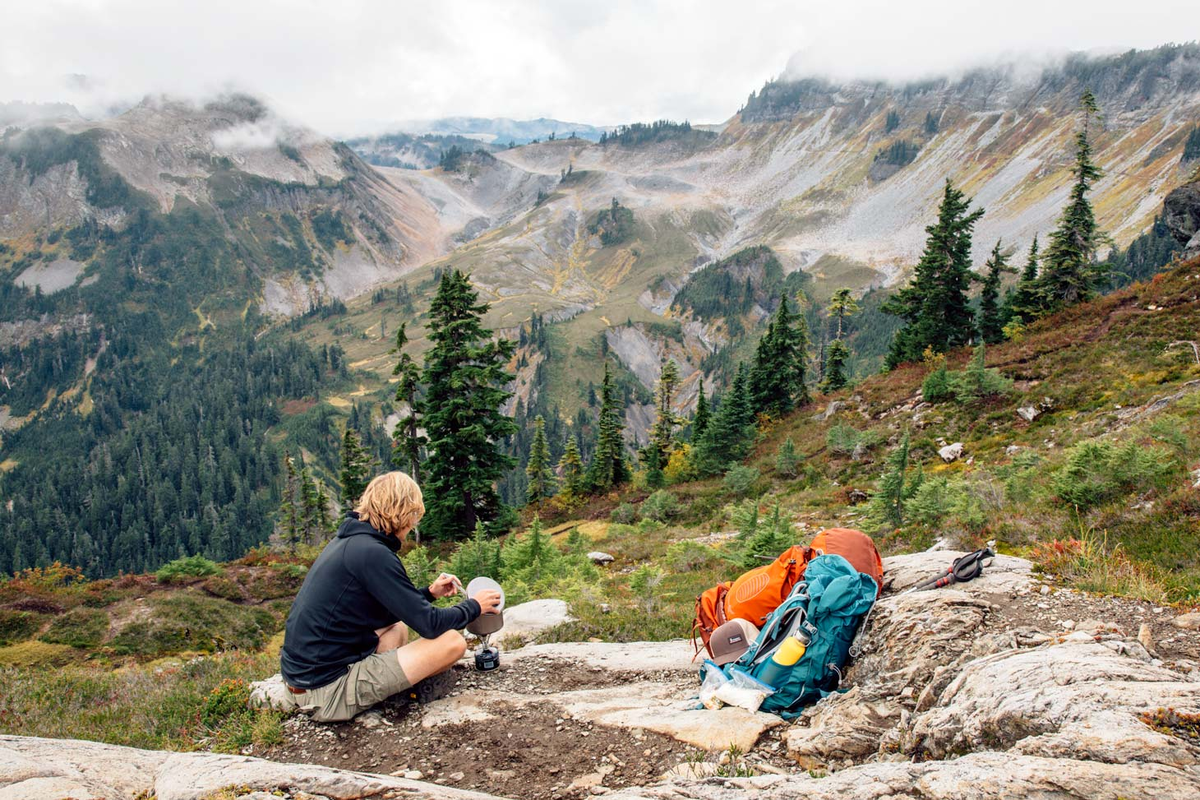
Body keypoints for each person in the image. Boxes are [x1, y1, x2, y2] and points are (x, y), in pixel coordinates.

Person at [279, 471, 501, 722]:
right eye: (414, 517)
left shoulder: (350, 542)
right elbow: (429, 625)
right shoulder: (374, 554)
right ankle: (399, 694)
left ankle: (387, 685)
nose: (413, 524)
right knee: (452, 643)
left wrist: (429, 593)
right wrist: (474, 605)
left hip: (303, 683)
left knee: (396, 629)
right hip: (327, 692)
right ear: (402, 514)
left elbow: (383, 611)